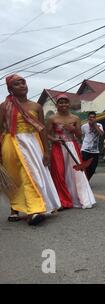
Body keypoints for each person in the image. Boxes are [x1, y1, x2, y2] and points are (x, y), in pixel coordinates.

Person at [0, 74, 61, 225]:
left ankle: (35, 210)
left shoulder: (37, 107)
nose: (22, 85)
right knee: (14, 178)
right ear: (10, 89)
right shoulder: (4, 106)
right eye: (16, 84)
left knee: (30, 175)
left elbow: (42, 130)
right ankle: (14, 209)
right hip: (10, 143)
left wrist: (46, 151)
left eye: (23, 82)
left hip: (33, 144)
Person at [47, 95, 96, 209]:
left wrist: (73, 129)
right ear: (56, 105)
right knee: (59, 173)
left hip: (72, 146)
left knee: (76, 173)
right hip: (58, 147)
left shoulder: (75, 118)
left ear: (69, 104)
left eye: (65, 102)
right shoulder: (52, 118)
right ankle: (63, 201)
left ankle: (80, 198)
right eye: (60, 102)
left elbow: (79, 136)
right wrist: (54, 139)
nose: (63, 104)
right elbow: (46, 134)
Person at [81, 112, 104, 181]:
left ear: (95, 118)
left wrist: (95, 125)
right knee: (85, 167)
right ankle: (85, 181)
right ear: (88, 118)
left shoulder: (99, 125)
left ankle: (86, 180)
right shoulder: (84, 126)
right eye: (90, 117)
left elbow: (102, 134)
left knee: (93, 168)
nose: (92, 119)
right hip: (85, 149)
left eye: (94, 117)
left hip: (95, 151)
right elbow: (80, 136)